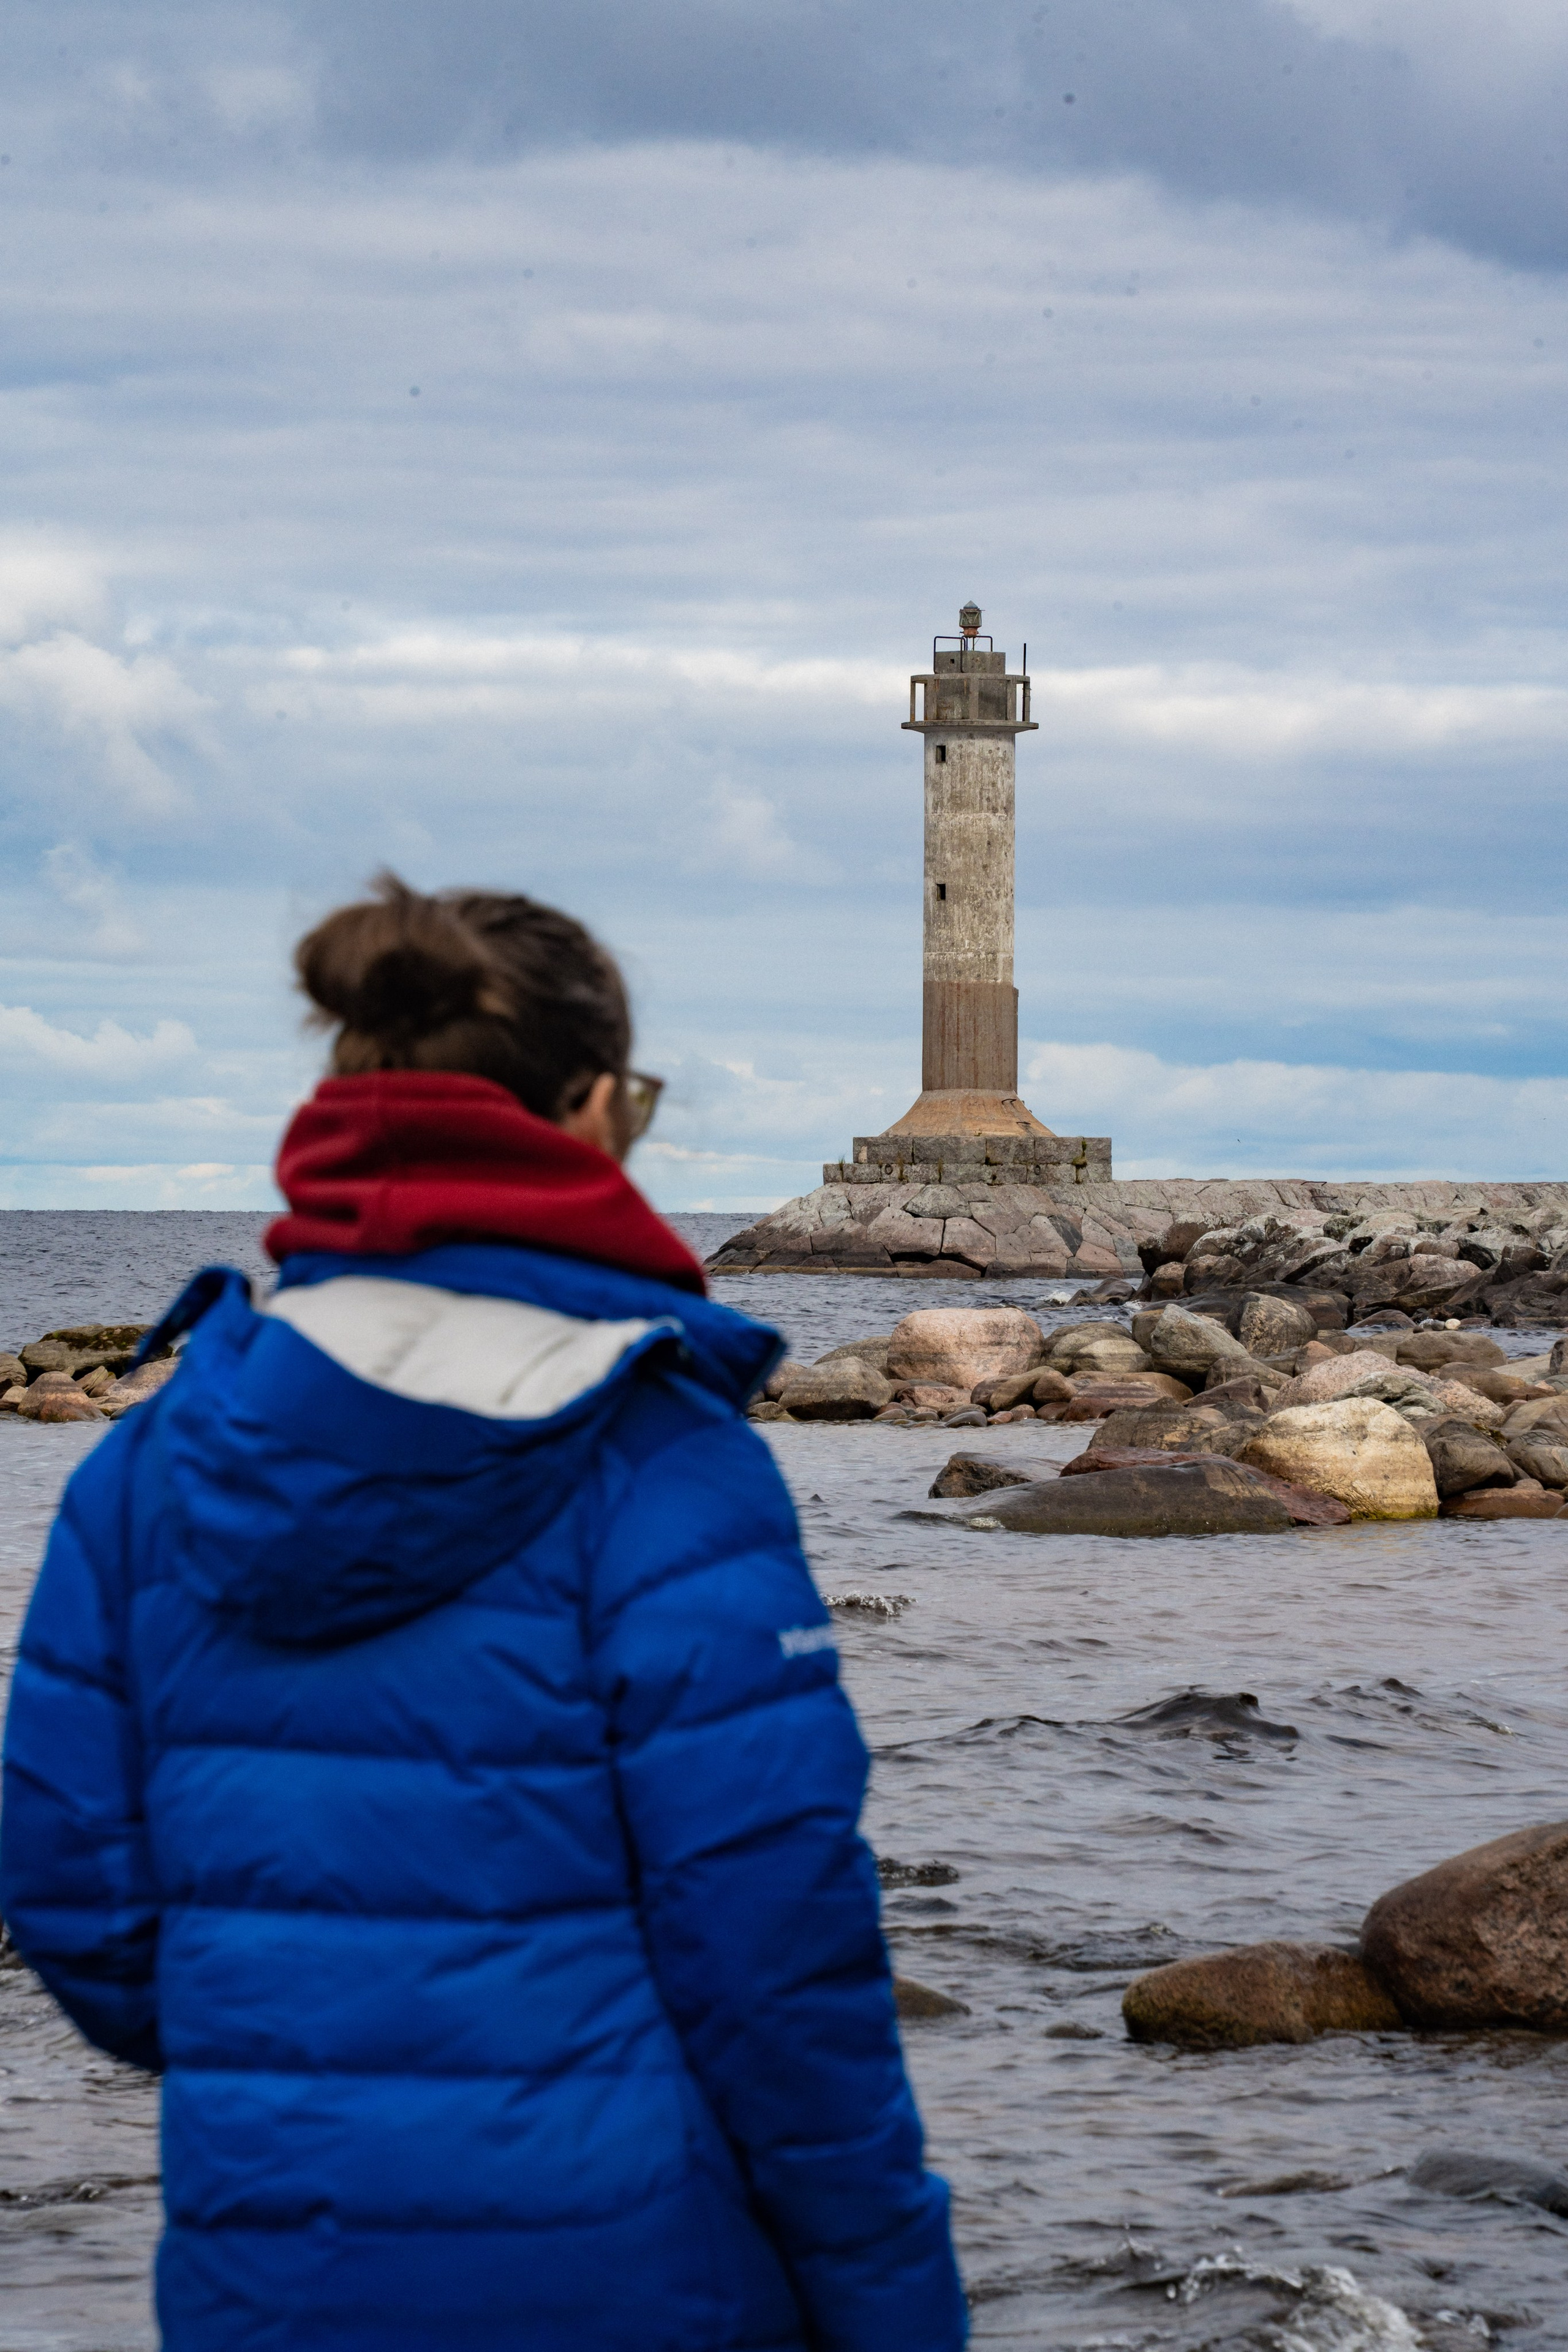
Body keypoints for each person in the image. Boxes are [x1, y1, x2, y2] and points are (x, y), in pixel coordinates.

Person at [0, 876, 967, 2352]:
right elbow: (775, 1962)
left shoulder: (145, 1463)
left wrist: (285, 2025)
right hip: (638, 2279)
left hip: (273, 2277)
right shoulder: (657, 1458)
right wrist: (893, 2303)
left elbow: (76, 1896)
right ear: (588, 1110)